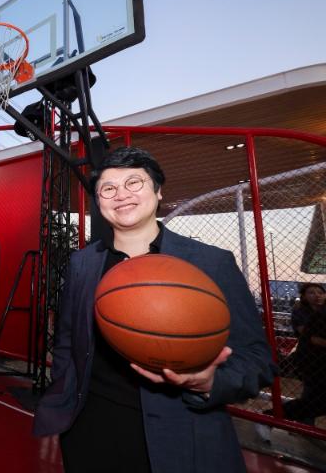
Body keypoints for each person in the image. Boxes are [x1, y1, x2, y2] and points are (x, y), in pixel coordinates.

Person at [33, 146, 275, 472]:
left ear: (159, 191)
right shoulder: (82, 263)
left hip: (181, 435)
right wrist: (64, 393)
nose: (121, 194)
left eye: (134, 183)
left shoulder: (210, 263)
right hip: (90, 430)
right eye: (108, 188)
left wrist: (208, 383)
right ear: (98, 202)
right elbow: (67, 340)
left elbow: (258, 360)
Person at [279, 282, 326, 424]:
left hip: (321, 357)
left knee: (315, 394)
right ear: (304, 296)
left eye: (320, 292)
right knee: (311, 391)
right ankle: (306, 425)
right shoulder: (300, 312)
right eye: (311, 292)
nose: (317, 295)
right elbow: (310, 336)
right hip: (310, 358)